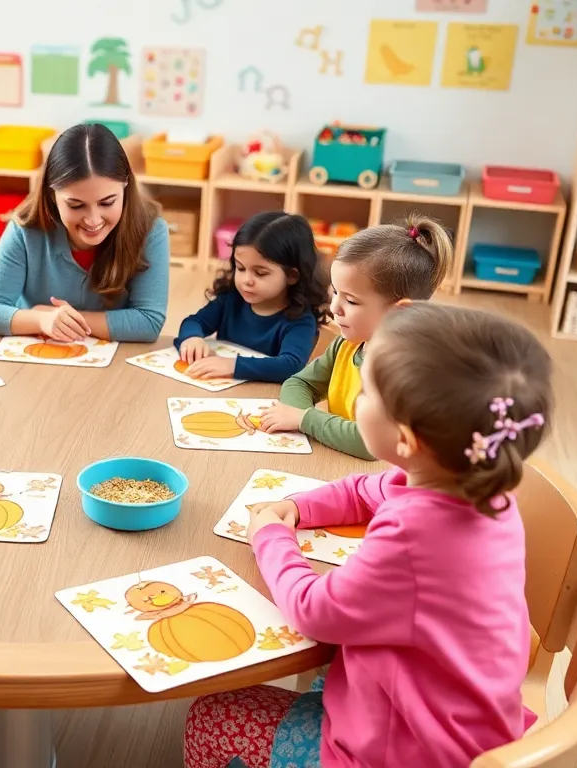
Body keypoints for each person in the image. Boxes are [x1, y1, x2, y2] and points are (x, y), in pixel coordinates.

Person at [184, 303, 551, 768]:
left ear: (407, 439)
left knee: (212, 714)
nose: (356, 400)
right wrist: (298, 506)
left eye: (368, 392)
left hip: (407, 751)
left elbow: (313, 611)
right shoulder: (480, 488)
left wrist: (272, 534)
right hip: (458, 719)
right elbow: (366, 488)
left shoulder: (414, 536)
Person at [259, 214, 453, 459]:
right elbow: (300, 383)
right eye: (335, 293)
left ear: (399, 310)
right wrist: (299, 419)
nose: (334, 308)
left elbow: (367, 443)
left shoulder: (404, 369)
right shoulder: (348, 344)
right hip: (339, 460)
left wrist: (305, 419)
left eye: (350, 300)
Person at [0, 123, 169, 343]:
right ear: (51, 194)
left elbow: (149, 323)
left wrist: (57, 318)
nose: (93, 220)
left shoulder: (150, 231)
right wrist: (40, 320)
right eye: (76, 205)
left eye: (107, 202)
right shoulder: (25, 229)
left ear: (125, 186)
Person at [175, 211, 329, 382]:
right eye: (240, 269)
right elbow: (194, 321)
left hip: (263, 399)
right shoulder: (231, 298)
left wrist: (232, 366)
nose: (246, 280)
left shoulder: (300, 319)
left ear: (292, 276)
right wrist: (192, 339)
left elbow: (291, 365)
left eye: (260, 273)